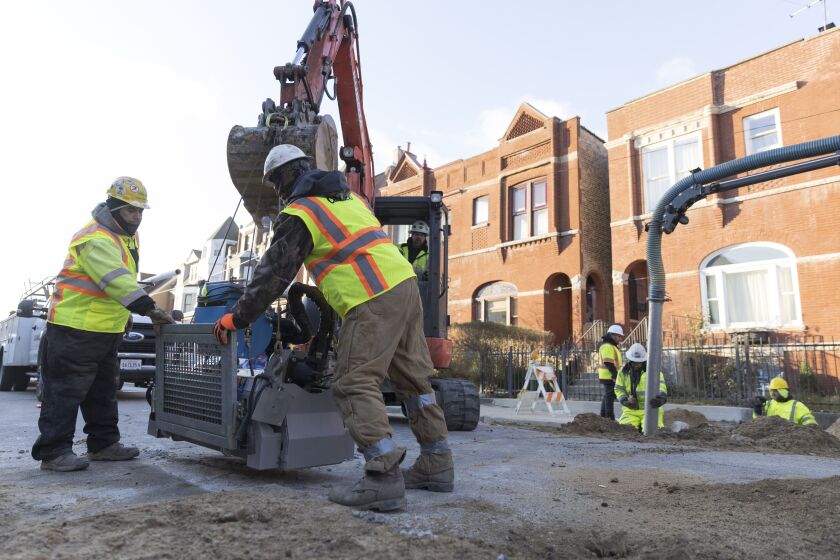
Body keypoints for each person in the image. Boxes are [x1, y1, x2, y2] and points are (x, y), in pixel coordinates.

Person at [212, 145, 453, 512]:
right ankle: (438, 464)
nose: (279, 191)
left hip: (372, 295)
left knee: (353, 382)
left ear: (283, 178)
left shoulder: (302, 211)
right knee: (414, 383)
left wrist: (238, 317)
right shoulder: (349, 200)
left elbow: (273, 273)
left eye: (276, 182)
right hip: (404, 288)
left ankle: (382, 477)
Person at [32, 177, 175, 472]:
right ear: (113, 208)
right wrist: (149, 309)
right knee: (65, 392)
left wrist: (123, 320)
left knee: (102, 390)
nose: (137, 217)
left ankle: (104, 444)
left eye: (140, 212)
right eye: (130, 211)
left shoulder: (125, 237)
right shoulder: (94, 238)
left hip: (104, 331)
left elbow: (117, 287)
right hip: (75, 329)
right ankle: (54, 451)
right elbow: (115, 281)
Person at [614, 343, 668, 432]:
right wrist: (624, 400)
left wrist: (661, 397)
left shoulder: (653, 371)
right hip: (631, 410)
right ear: (630, 360)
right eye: (634, 362)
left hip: (650, 408)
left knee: (652, 432)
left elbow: (661, 386)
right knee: (624, 431)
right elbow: (619, 389)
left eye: (638, 363)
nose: (636, 365)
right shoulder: (623, 373)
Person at [753, 377, 818, 426]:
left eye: (776, 390)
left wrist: (811, 427)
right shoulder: (767, 404)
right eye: (771, 390)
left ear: (783, 391)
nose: (773, 393)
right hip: (769, 440)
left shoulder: (796, 405)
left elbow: (810, 423)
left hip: (791, 440)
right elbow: (758, 424)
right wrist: (757, 411)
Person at [596, 324, 624, 420]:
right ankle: (609, 418)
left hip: (609, 375)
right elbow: (608, 363)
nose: (620, 338)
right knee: (610, 397)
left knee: (608, 396)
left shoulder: (611, 346)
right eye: (619, 336)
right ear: (613, 335)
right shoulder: (607, 346)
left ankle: (603, 416)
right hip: (609, 376)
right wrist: (615, 376)